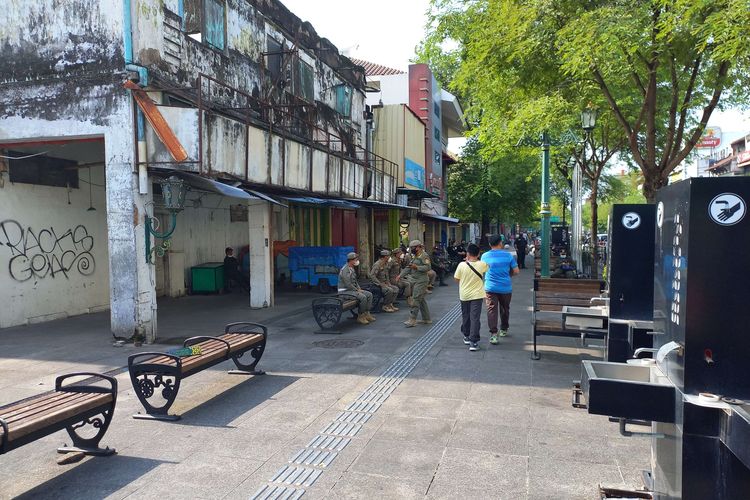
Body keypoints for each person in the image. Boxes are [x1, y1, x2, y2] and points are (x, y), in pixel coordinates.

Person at [481, 234, 520, 344]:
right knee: (505, 308)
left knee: (491, 310)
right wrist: (507, 275)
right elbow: (516, 271)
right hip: (505, 287)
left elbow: (483, 270)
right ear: (500, 243)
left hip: (490, 288)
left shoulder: (484, 256)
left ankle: (493, 334)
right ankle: (503, 329)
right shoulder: (508, 256)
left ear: (490, 244)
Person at [454, 244, 489, 352]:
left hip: (464, 294)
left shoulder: (461, 265)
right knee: (475, 318)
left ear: (467, 253)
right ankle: (473, 342)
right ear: (478, 254)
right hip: (477, 295)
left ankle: (466, 335)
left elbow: (456, 279)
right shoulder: (482, 264)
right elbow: (487, 268)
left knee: (466, 316)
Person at [338, 252, 376, 325]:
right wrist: (357, 290)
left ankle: (367, 313)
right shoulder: (345, 270)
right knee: (363, 297)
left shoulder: (351, 268)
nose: (357, 261)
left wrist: (359, 288)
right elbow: (348, 284)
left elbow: (355, 281)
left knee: (369, 294)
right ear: (351, 260)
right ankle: (360, 316)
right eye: (355, 259)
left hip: (352, 290)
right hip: (345, 292)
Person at [400, 240, 432, 327]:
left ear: (418, 247)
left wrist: (417, 267)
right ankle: (426, 319)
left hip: (422, 280)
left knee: (416, 299)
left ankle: (412, 319)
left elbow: (428, 267)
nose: (411, 249)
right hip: (415, 280)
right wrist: (400, 275)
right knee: (421, 300)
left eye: (413, 248)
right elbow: (409, 267)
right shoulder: (415, 256)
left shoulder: (424, 255)